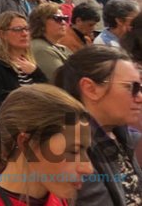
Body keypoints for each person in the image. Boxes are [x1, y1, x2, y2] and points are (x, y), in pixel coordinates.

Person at [0, 84, 92, 206]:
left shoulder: (54, 192)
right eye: (73, 152)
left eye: (87, 151)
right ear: (25, 143)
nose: (88, 168)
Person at [55, 45, 142, 205]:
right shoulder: (72, 148)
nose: (140, 97)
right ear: (91, 89)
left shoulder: (120, 134)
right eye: (131, 87)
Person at [0, 11, 47, 113]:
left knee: (72, 116)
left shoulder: (30, 63)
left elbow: (48, 93)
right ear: (2, 34)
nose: (24, 34)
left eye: (26, 29)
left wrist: (36, 72)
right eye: (17, 29)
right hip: (15, 123)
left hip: (40, 119)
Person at [28, 2, 71, 81]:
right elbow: (61, 81)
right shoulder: (40, 48)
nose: (63, 22)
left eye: (65, 18)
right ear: (40, 22)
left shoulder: (60, 47)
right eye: (57, 18)